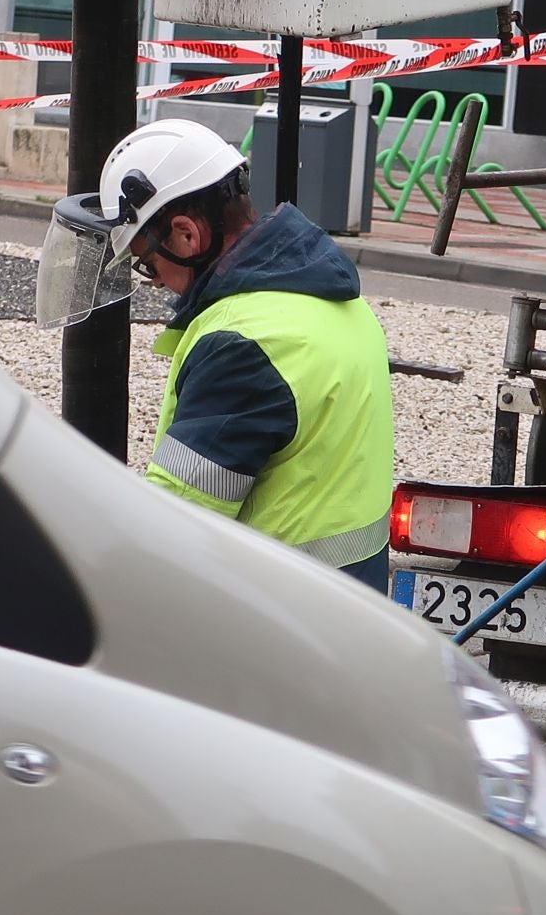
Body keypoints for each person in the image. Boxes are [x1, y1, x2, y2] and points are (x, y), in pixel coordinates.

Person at [80, 119, 395, 589]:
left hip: (275, 619)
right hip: (348, 599)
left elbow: (176, 530)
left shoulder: (243, 346)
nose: (157, 281)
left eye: (148, 263)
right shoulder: (330, 297)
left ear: (186, 235)